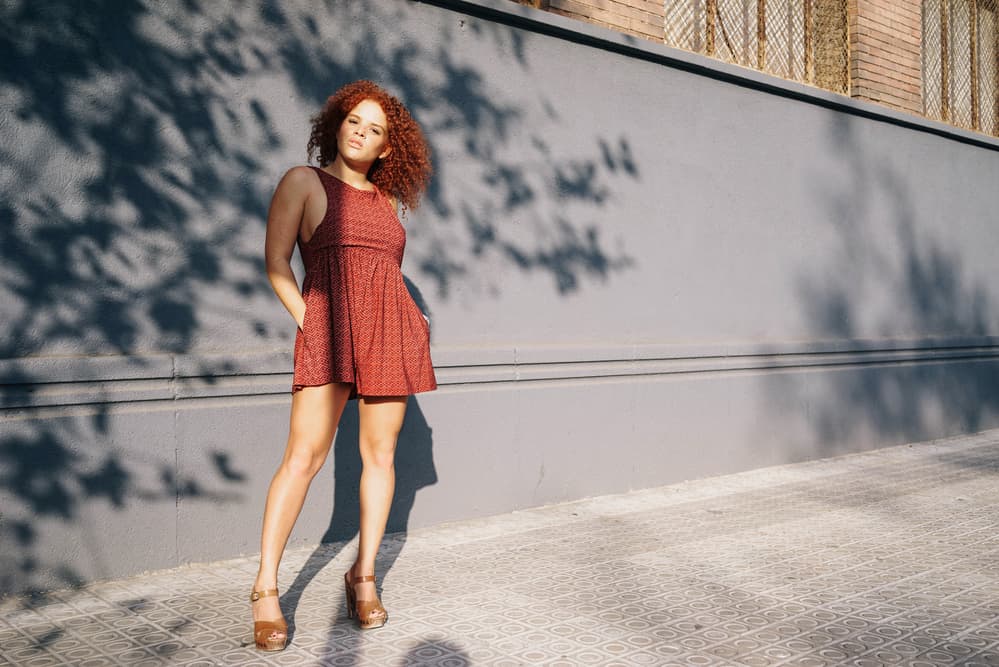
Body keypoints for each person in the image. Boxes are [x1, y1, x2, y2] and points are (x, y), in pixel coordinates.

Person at [250, 80, 435, 651]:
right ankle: (264, 588)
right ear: (336, 124)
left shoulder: (386, 202)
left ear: (386, 148)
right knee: (302, 458)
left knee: (380, 457)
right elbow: (277, 259)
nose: (361, 131)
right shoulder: (304, 182)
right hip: (329, 329)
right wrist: (308, 317)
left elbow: (382, 273)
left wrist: (415, 319)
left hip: (389, 334)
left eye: (375, 129)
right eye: (355, 120)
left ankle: (364, 575)